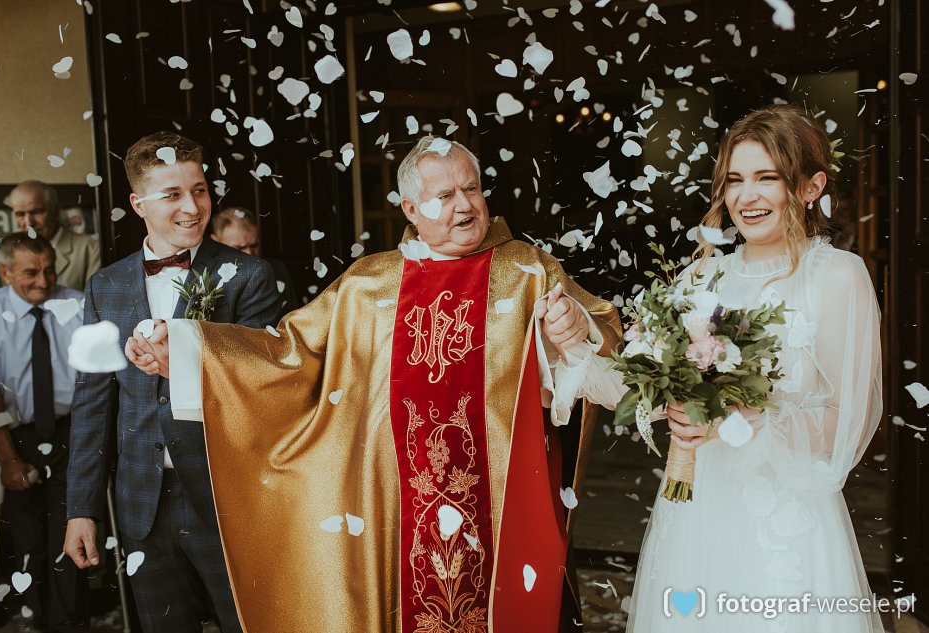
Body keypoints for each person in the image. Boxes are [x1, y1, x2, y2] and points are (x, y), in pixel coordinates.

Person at [127, 136, 623, 632]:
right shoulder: (367, 285)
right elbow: (288, 353)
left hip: (501, 505)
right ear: (410, 208)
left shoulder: (527, 269)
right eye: (445, 195)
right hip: (395, 512)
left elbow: (607, 339)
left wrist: (574, 331)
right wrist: (190, 352)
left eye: (471, 188)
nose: (465, 205)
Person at [570, 104, 883, 632]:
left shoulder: (836, 276)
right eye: (735, 180)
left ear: (811, 187)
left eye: (767, 178)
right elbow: (638, 388)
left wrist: (745, 421)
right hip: (698, 513)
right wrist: (574, 343)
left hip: (785, 519)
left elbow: (844, 420)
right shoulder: (701, 276)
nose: (746, 196)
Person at [61, 132, 282, 633]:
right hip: (142, 501)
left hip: (226, 497)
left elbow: (264, 386)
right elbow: (92, 405)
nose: (192, 207)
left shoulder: (246, 275)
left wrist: (181, 365)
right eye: (173, 195)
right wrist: (81, 510)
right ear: (138, 204)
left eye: (199, 190)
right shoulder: (105, 286)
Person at [0, 233, 89, 632]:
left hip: (71, 432)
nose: (44, 281)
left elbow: (95, 382)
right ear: (5, 273)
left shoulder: (78, 305)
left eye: (49, 270)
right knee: (28, 538)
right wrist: (8, 460)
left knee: (71, 530)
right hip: (15, 434)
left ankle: (68, 623)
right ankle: (37, 620)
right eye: (31, 272)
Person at [7, 181, 101, 291]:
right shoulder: (11, 252)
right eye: (20, 214)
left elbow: (93, 299)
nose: (29, 222)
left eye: (36, 212)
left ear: (56, 211)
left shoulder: (91, 249)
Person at [210, 205, 298, 310]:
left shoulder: (277, 269)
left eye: (254, 245)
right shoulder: (207, 277)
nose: (249, 254)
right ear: (216, 242)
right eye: (239, 248)